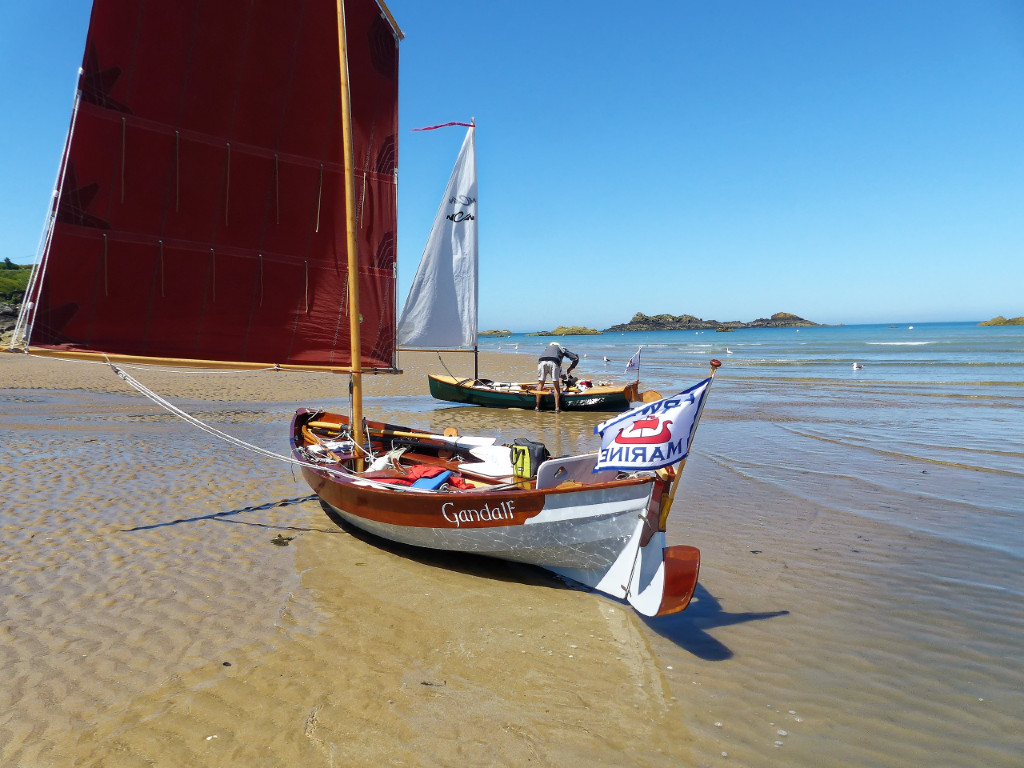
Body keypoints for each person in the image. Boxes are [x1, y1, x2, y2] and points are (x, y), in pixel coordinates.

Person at [535, 342, 578, 412]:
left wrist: (561, 375)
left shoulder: (547, 348)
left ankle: (537, 407)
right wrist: (570, 368)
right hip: (554, 361)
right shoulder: (561, 348)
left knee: (541, 383)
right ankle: (557, 408)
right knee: (556, 385)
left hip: (541, 361)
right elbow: (575, 358)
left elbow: (550, 362)